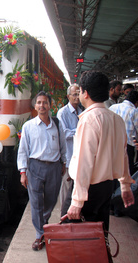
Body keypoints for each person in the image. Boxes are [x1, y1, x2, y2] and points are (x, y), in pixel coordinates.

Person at [67, 71, 135, 234]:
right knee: (100, 233)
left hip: (89, 190)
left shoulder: (88, 119)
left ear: (86, 93)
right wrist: (125, 185)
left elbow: (84, 162)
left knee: (82, 239)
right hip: (107, 186)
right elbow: (123, 154)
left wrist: (77, 200)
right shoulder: (116, 119)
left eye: (80, 91)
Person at [17, 91, 66, 251]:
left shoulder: (58, 125)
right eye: (39, 102)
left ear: (50, 105)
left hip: (54, 168)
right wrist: (23, 172)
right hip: (35, 167)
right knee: (36, 202)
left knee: (51, 201)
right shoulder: (28, 126)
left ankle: (43, 222)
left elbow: (64, 146)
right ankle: (40, 234)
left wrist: (64, 163)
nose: (42, 105)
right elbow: (23, 150)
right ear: (35, 105)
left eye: (45, 102)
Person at [56, 84, 82, 216]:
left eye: (79, 94)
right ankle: (63, 215)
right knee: (66, 188)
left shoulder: (81, 112)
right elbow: (64, 133)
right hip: (69, 157)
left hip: (80, 156)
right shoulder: (63, 113)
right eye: (74, 94)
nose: (77, 97)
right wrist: (81, 131)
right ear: (68, 96)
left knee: (77, 187)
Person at [109, 90, 138, 175]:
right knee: (127, 171)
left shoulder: (113, 107)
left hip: (113, 144)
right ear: (136, 102)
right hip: (128, 146)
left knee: (115, 170)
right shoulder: (133, 111)